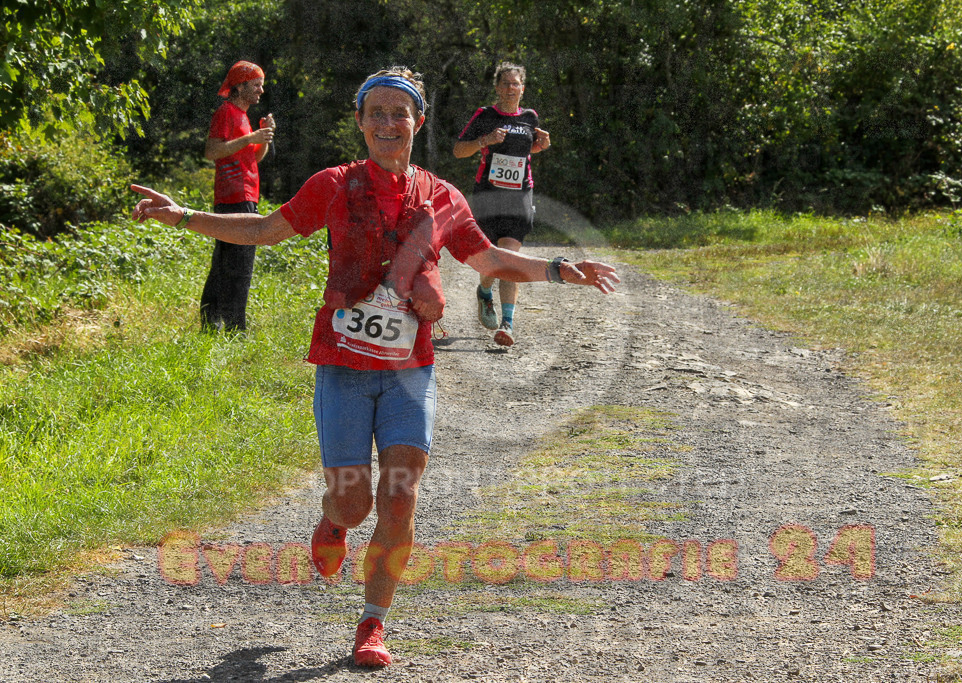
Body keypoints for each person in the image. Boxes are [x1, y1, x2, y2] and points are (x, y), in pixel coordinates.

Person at [131, 66, 618, 668]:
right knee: (354, 503)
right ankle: (333, 521)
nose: (389, 123)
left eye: (400, 113)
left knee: (400, 498)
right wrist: (181, 215)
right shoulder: (335, 185)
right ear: (360, 122)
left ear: (418, 122)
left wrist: (560, 270)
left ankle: (372, 623)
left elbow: (488, 258)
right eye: (377, 113)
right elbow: (262, 228)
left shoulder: (442, 196)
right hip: (343, 367)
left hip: (410, 370)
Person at [454, 62, 550, 347]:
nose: (510, 88)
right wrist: (485, 140)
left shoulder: (530, 117)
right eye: (505, 83)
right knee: (492, 259)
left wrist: (541, 145)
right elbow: (459, 151)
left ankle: (507, 323)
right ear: (497, 87)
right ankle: (485, 291)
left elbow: (525, 150)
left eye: (515, 83)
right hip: (488, 195)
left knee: (509, 258)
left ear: (523, 88)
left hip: (519, 196)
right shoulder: (485, 115)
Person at [200, 60, 276, 332]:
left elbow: (254, 158)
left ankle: (212, 323)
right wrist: (250, 137)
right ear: (240, 86)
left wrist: (263, 138)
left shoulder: (242, 116)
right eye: (256, 85)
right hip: (233, 196)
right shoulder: (226, 112)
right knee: (239, 264)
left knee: (226, 261)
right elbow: (212, 151)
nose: (261, 91)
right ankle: (235, 328)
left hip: (245, 195)